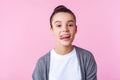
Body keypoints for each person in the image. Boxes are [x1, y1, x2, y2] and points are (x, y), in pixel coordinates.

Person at [32, 5, 97, 80]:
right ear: (52, 30)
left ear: (75, 29)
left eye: (70, 25)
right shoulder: (42, 63)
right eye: (59, 25)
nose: (65, 29)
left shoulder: (86, 58)